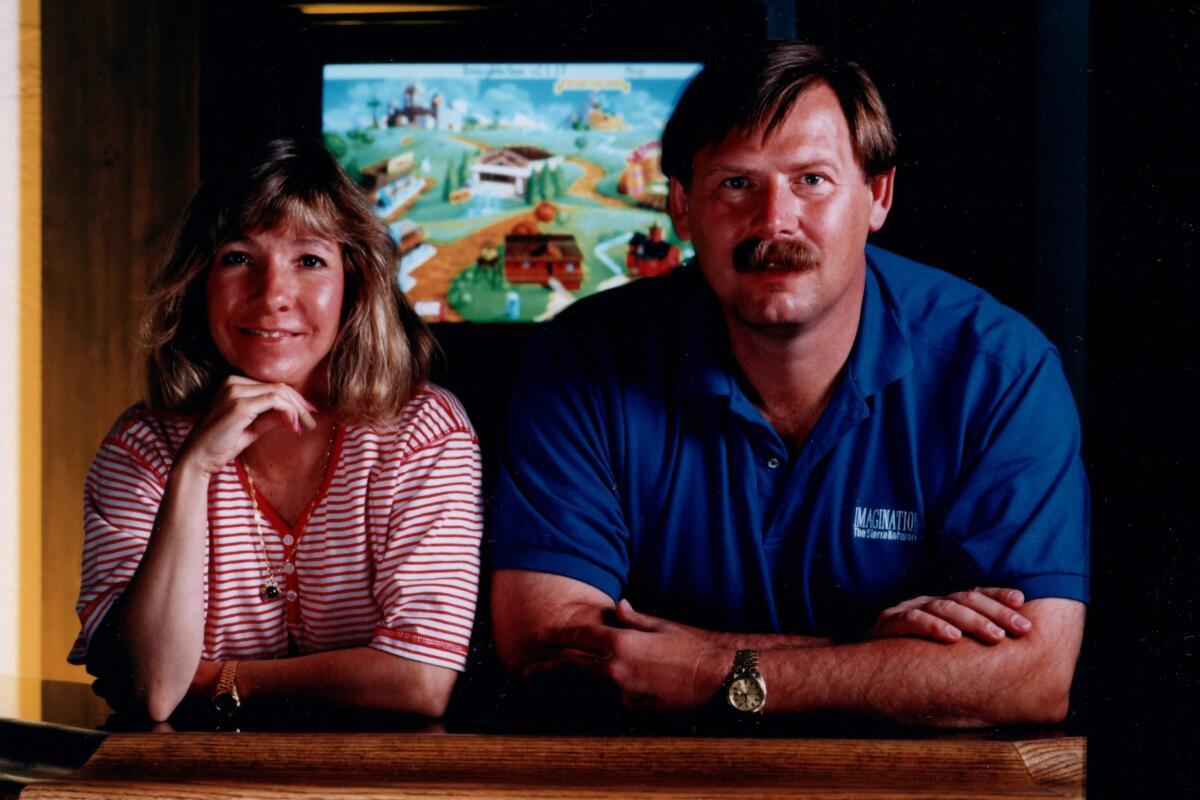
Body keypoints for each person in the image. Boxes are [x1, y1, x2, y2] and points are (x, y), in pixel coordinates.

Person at [488, 42, 1088, 726]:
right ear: (682, 207)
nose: (774, 221)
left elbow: (1034, 677)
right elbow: (546, 643)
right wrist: (871, 653)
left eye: (812, 180)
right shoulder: (583, 357)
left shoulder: (997, 370)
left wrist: (714, 671)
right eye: (736, 184)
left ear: (877, 194)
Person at [70, 139, 483, 723]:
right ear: (198, 281)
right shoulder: (143, 448)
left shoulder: (422, 431)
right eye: (238, 257)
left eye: (309, 260)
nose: (272, 296)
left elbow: (419, 680)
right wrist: (192, 473)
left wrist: (217, 680)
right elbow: (152, 688)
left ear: (355, 282)